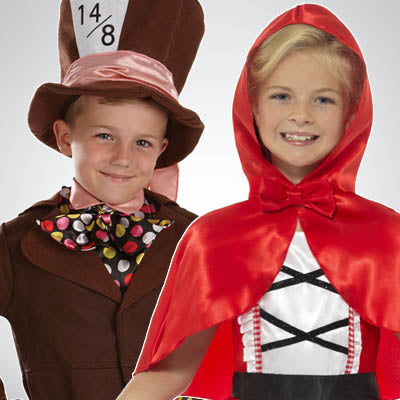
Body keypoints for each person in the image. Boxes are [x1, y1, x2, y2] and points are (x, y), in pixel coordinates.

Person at [118, 4, 400, 400]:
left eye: (323, 100)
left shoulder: (388, 234)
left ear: (351, 112)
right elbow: (169, 372)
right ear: (252, 104)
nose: (301, 115)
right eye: (282, 96)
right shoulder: (213, 237)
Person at [0, 0, 204, 399]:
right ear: (65, 137)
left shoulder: (197, 238)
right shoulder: (15, 245)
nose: (123, 158)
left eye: (142, 142)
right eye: (104, 136)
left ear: (162, 149)